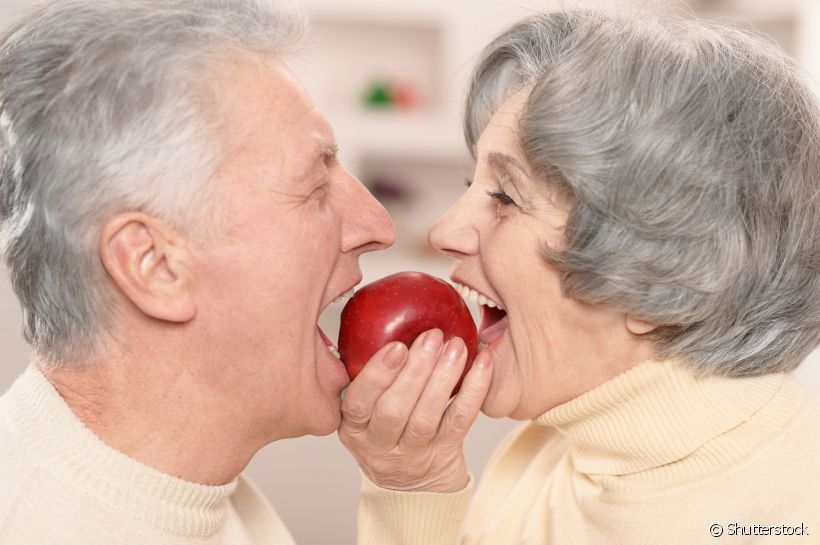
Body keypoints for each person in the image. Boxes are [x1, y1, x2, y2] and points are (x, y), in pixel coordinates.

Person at [338, 9, 820, 544]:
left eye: (504, 196)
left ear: (657, 277)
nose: (444, 230)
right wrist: (415, 488)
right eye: (471, 183)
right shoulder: (539, 454)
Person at [0, 1, 397, 543]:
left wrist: (409, 486)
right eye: (316, 187)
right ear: (154, 265)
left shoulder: (205, 502)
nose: (377, 225)